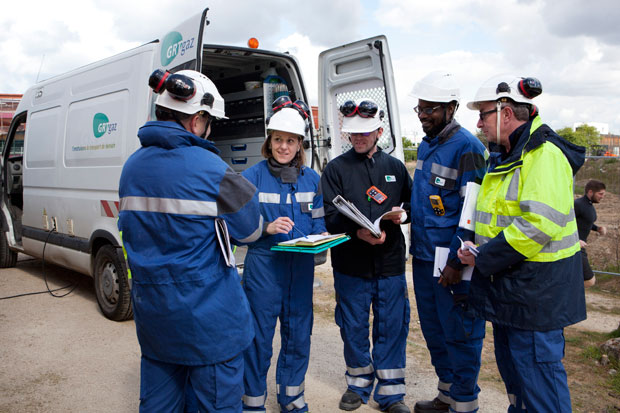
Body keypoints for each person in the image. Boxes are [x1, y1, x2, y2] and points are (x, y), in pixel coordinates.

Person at [118, 69, 263, 413]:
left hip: (155, 318)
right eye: (210, 120)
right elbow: (252, 231)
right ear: (198, 120)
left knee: (159, 405)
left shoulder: (131, 167)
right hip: (209, 323)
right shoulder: (211, 167)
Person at [458, 75, 586, 412]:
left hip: (536, 297)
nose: (479, 123)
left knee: (539, 381)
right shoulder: (505, 156)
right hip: (512, 291)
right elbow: (492, 218)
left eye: (483, 114)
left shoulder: (543, 155)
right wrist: (472, 247)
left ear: (505, 113)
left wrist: (483, 257)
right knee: (517, 382)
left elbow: (538, 224)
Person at [321, 99, 412, 413]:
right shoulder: (335, 169)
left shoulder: (395, 167)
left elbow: (411, 203)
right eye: (353, 134)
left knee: (392, 325)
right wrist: (354, 231)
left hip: (389, 264)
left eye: (365, 133)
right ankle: (358, 385)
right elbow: (329, 216)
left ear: (379, 132)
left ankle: (391, 394)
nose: (358, 138)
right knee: (354, 325)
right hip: (351, 264)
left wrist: (404, 215)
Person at [240, 96, 326, 413]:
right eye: (278, 140)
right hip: (263, 270)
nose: (283, 147)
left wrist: (321, 239)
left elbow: (320, 224)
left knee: (298, 336)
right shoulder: (251, 177)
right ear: (269, 141)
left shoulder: (313, 180)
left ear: (299, 144)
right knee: (258, 339)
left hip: (300, 271)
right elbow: (238, 227)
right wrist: (266, 227)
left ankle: (292, 398)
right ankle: (253, 403)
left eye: (290, 141)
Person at [408, 71, 487, 413]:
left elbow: (474, 210)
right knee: (434, 331)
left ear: (452, 108)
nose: (424, 115)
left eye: (432, 109)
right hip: (424, 256)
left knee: (461, 332)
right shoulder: (427, 144)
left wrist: (457, 261)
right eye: (420, 109)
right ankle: (446, 396)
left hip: (453, 262)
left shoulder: (469, 148)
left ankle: (465, 404)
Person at [575, 179, 607, 287]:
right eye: (600, 194)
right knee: (589, 280)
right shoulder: (578, 204)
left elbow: (584, 223)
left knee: (578, 277)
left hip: (580, 247)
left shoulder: (589, 205)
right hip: (574, 247)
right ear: (590, 192)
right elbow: (565, 223)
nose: (602, 196)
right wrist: (574, 241)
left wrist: (597, 228)